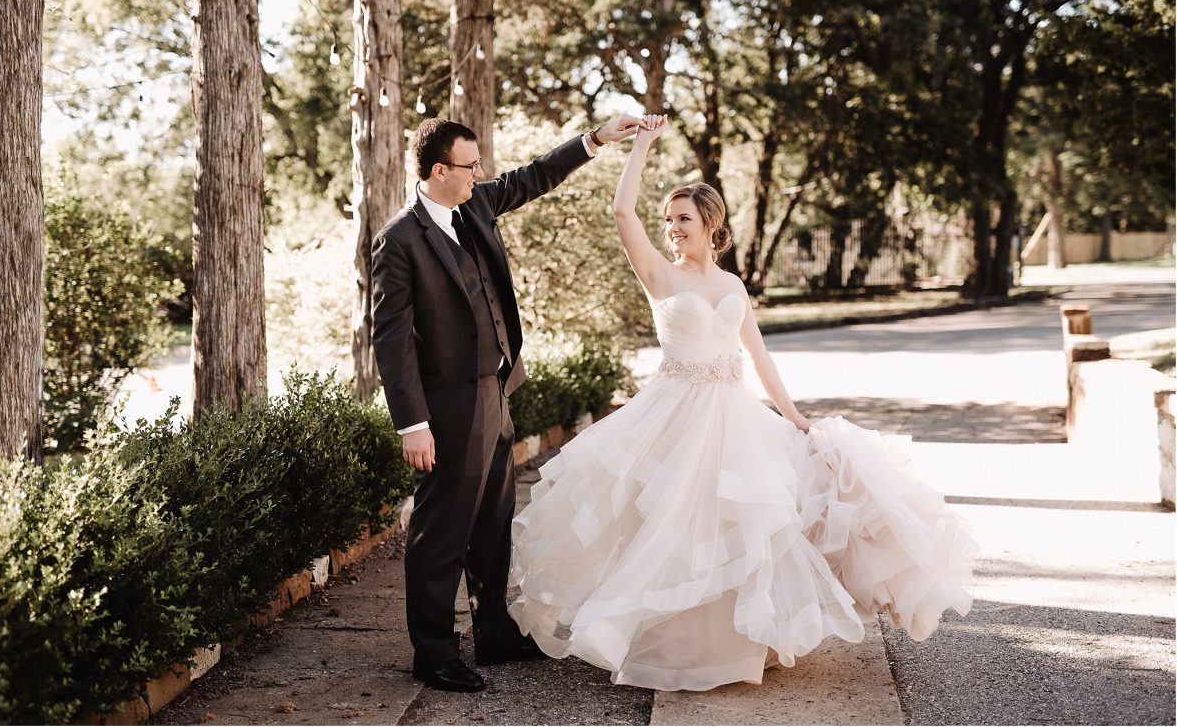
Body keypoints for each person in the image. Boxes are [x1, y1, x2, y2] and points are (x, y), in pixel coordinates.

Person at [509, 114, 977, 692]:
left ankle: (742, 642)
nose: (673, 228)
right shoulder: (659, 275)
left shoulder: (732, 287)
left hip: (735, 417)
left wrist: (794, 416)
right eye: (669, 219)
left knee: (752, 524)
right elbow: (621, 213)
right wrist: (642, 147)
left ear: (709, 222)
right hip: (677, 414)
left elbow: (760, 359)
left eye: (683, 218)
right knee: (681, 526)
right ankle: (677, 642)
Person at [370, 114, 644, 693]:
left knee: (494, 523)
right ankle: (435, 652)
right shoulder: (399, 241)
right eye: (470, 166)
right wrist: (412, 423)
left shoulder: (475, 204)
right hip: (445, 409)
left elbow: (536, 175)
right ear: (438, 170)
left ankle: (493, 630)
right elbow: (390, 341)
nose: (481, 174)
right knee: (440, 530)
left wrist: (594, 141)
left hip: (495, 394)